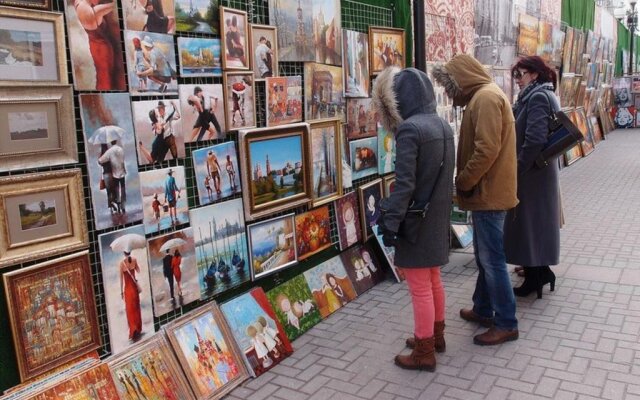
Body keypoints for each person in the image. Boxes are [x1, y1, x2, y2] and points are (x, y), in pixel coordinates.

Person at [432, 54, 519, 346]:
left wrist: (464, 180)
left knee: (492, 260)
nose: (448, 94)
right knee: (486, 257)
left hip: (489, 194)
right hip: (489, 193)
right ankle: (483, 308)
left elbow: (486, 149)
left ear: (461, 81)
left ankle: (506, 322)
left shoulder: (485, 99)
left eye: (449, 87)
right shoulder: (485, 96)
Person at [373, 66, 454, 371]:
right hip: (436, 218)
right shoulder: (442, 125)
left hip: (416, 222)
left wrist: (391, 223)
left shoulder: (410, 130)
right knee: (433, 280)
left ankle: (424, 351)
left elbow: (404, 184)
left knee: (419, 286)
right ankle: (435, 336)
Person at [504, 56, 560, 299]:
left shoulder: (537, 97)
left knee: (529, 224)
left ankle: (535, 276)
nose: (517, 80)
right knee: (534, 224)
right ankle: (540, 271)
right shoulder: (542, 94)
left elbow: (534, 139)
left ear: (534, 74)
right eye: (515, 75)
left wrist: (517, 168)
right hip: (538, 172)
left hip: (532, 174)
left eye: (521, 74)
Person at [73, 0, 123, 90]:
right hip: (102, 49)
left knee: (101, 75)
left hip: (94, 45)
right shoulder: (96, 10)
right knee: (105, 76)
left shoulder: (78, 3)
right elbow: (116, 5)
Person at [98, 139, 126, 214]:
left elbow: (100, 161)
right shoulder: (121, 149)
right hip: (121, 172)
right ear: (116, 141)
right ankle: (122, 207)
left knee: (114, 190)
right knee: (122, 189)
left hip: (113, 174)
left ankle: (116, 206)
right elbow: (123, 160)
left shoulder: (108, 152)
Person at [120, 251, 142, 341]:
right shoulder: (134, 260)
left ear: (124, 253)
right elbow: (138, 271)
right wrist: (134, 265)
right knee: (136, 308)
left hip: (128, 290)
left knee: (130, 310)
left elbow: (121, 280)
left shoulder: (122, 264)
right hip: (134, 289)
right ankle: (138, 328)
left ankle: (133, 330)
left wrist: (121, 292)